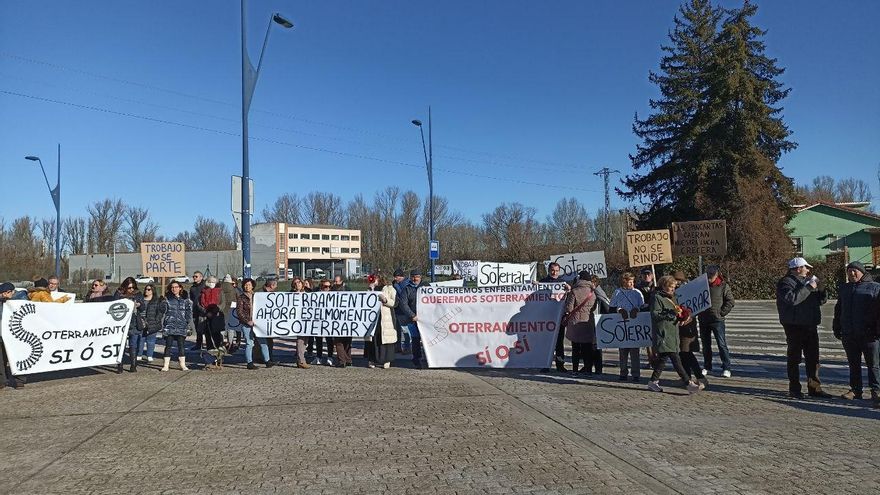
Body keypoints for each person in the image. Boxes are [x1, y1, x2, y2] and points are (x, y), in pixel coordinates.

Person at [776, 257, 832, 399]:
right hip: (794, 325)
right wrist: (808, 287)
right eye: (806, 267)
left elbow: (821, 301)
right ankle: (794, 389)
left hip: (810, 324)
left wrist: (821, 289)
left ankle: (814, 388)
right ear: (798, 269)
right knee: (794, 358)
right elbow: (792, 299)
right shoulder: (785, 282)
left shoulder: (807, 282)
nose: (808, 270)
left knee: (813, 358)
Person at [832, 261, 880, 404]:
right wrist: (837, 326)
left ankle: (876, 391)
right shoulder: (845, 289)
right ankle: (855, 390)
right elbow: (839, 309)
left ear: (862, 272)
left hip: (869, 334)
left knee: (874, 364)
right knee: (853, 363)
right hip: (849, 333)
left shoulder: (875, 288)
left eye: (855, 271)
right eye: (849, 271)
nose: (852, 274)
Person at [648, 275, 701, 394]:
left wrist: (682, 317)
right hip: (664, 333)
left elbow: (677, 311)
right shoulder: (657, 298)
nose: (673, 289)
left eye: (674, 287)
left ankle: (653, 381)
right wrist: (671, 313)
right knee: (675, 358)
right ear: (664, 286)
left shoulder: (673, 297)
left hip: (673, 331)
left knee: (662, 359)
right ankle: (688, 382)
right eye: (670, 287)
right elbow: (655, 315)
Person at [698, 265, 735, 378]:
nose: (709, 276)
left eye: (712, 274)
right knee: (706, 345)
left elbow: (730, 301)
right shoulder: (701, 285)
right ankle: (707, 366)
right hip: (704, 319)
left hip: (717, 320)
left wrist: (721, 313)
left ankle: (726, 367)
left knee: (721, 344)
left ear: (717, 274)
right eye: (708, 273)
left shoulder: (723, 286)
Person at [673, 271, 708, 389]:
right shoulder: (674, 292)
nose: (676, 283)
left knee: (687, 353)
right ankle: (687, 378)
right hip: (679, 327)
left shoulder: (688, 292)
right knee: (682, 354)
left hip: (687, 328)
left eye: (677, 280)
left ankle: (700, 377)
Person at [610, 272, 645, 382]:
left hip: (634, 326)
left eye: (632, 282)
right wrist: (620, 310)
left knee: (635, 352)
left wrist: (637, 310)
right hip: (622, 325)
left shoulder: (637, 293)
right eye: (629, 282)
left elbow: (642, 306)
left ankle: (636, 373)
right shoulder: (617, 292)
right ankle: (623, 372)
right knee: (623, 352)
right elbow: (611, 307)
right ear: (624, 282)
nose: (631, 284)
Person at [564, 271, 599, 373]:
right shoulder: (592, 292)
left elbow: (569, 309)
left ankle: (574, 370)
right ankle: (588, 369)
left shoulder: (574, 291)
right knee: (587, 348)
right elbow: (594, 307)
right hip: (588, 322)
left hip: (575, 322)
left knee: (575, 348)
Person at [237, 278, 272, 370]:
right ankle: (249, 362)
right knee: (249, 343)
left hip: (258, 323)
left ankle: (267, 361)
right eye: (245, 284)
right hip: (247, 324)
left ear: (252, 286)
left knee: (263, 342)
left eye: (249, 284)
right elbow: (239, 312)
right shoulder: (241, 297)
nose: (247, 286)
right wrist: (247, 321)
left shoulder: (257, 296)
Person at [540, 262, 569, 372]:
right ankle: (545, 364)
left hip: (559, 317)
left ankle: (560, 364)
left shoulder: (563, 283)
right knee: (546, 342)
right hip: (546, 317)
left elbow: (569, 299)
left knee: (559, 342)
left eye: (557, 270)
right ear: (549, 270)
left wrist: (569, 290)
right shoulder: (542, 282)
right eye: (553, 270)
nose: (554, 272)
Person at [1, 282, 29, 389]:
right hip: (2, 331)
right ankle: (2, 380)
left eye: (6, 293)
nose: (4, 295)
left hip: (17, 333)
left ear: (12, 291)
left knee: (18, 356)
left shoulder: (21, 297)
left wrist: (8, 302)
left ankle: (19, 380)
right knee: (2, 358)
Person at [160, 280, 192, 372]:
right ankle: (166, 365)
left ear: (180, 288)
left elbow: (188, 312)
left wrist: (186, 321)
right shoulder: (167, 299)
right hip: (170, 325)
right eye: (172, 287)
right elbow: (163, 310)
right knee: (168, 345)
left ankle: (182, 364)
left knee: (181, 345)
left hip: (181, 325)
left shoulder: (185, 299)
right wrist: (162, 303)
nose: (174, 289)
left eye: (176, 287)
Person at [365, 276, 397, 369]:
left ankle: (386, 360)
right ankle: (372, 359)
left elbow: (394, 303)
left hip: (385, 318)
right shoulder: (369, 289)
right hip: (373, 318)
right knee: (373, 339)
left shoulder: (389, 289)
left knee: (385, 339)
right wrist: (371, 290)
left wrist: (385, 300)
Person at [116, 277, 145, 373]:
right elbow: (113, 305)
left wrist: (139, 305)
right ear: (125, 287)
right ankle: (120, 365)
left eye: (133, 287)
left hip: (134, 321)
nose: (131, 290)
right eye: (129, 288)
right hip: (121, 322)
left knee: (133, 345)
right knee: (121, 345)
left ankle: (133, 365)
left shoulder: (138, 294)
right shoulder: (119, 293)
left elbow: (143, 307)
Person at [398, 270, 426, 368]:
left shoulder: (427, 287)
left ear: (420, 277)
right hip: (412, 319)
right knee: (415, 340)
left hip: (426, 319)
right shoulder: (407, 289)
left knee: (428, 339)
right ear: (410, 277)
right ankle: (417, 360)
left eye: (417, 276)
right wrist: (412, 315)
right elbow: (403, 304)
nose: (415, 279)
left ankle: (429, 359)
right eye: (413, 277)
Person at [308, 280, 336, 366]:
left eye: (329, 287)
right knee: (318, 340)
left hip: (329, 320)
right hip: (318, 320)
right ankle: (318, 357)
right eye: (325, 286)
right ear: (321, 287)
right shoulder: (315, 295)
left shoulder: (333, 295)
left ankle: (330, 357)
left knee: (329, 340)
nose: (327, 288)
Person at [138, 283, 162, 363]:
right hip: (141, 322)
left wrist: (156, 321)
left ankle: (149, 355)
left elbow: (159, 312)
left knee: (151, 340)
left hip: (152, 322)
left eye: (149, 289)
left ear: (153, 291)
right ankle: (139, 354)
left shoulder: (156, 301)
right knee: (141, 339)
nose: (146, 291)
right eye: (146, 289)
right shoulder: (141, 300)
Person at [290, 278, 311, 369]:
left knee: (305, 341)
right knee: (300, 340)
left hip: (307, 319)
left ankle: (300, 359)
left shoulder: (308, 294)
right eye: (295, 283)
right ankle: (301, 360)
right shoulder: (290, 295)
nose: (297, 284)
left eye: (299, 282)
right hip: (297, 320)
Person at [392, 269, 411, 354]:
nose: (395, 279)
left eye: (396, 277)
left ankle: (407, 347)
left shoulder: (405, 284)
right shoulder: (401, 283)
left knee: (405, 330)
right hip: (398, 310)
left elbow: (402, 295)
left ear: (401, 276)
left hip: (403, 310)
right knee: (397, 330)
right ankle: (398, 346)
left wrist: (396, 286)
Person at [219, 274, 240, 352]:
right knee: (231, 329)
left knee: (222, 328)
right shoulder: (234, 289)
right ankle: (230, 345)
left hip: (222, 310)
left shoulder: (220, 289)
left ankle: (221, 344)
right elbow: (237, 299)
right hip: (231, 310)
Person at [189, 271, 206, 351]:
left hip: (204, 310)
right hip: (196, 309)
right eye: (193, 276)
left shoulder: (205, 286)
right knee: (197, 328)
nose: (194, 278)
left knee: (205, 327)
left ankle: (209, 344)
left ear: (201, 277)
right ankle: (198, 344)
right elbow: (192, 298)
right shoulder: (192, 288)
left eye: (196, 276)